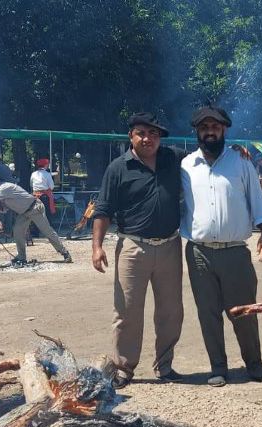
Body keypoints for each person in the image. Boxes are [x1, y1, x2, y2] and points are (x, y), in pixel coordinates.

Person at [181, 105, 262, 387]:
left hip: (235, 251)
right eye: (204, 128)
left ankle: (255, 367)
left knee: (244, 312)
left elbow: (258, 202)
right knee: (208, 313)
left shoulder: (241, 163)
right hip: (199, 253)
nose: (210, 131)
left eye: (215, 127)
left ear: (224, 130)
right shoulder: (185, 166)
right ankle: (218, 368)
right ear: (197, 132)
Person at [92, 112, 185, 389]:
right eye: (142, 133)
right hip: (133, 247)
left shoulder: (173, 158)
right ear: (131, 136)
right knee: (127, 311)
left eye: (154, 134)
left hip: (170, 245)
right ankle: (124, 368)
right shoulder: (118, 168)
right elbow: (103, 209)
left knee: (171, 311)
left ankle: (165, 366)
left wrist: (238, 151)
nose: (148, 139)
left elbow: (206, 157)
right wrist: (96, 246)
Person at [0, 165, 72, 265]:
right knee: (18, 231)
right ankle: (21, 257)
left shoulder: (4, 188)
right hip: (24, 212)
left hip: (34, 208)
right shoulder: (1, 190)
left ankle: (64, 252)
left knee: (47, 231)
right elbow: (6, 207)